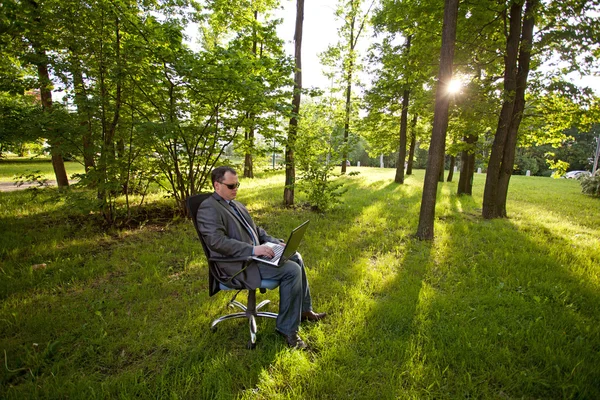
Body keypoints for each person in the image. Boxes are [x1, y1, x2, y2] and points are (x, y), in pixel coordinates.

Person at [197, 166, 326, 349]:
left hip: (251, 257)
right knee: (291, 270)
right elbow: (217, 243)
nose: (236, 189)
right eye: (231, 186)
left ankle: (304, 311)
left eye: (237, 185)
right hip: (236, 265)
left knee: (295, 256)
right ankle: (287, 330)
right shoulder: (209, 208)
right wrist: (253, 250)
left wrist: (275, 243)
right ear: (217, 185)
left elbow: (256, 231)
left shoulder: (235, 204)